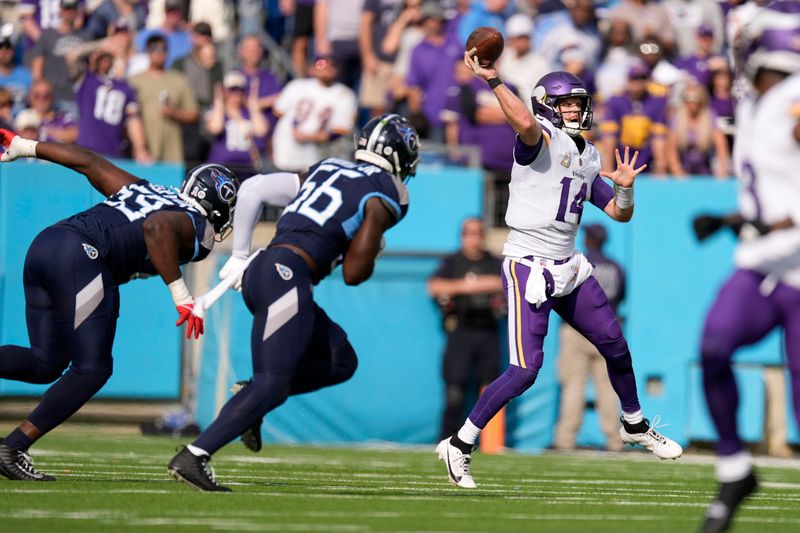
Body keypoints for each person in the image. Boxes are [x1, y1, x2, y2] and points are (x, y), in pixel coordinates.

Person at [436, 55, 683, 490]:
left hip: (568, 265)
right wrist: (494, 80)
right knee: (524, 371)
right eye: (565, 103)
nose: (574, 110)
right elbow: (525, 124)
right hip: (528, 265)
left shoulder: (589, 154)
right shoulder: (540, 138)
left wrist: (624, 189)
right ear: (545, 106)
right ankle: (459, 442)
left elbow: (617, 214)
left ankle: (634, 423)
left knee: (615, 344)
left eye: (577, 103)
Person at [167, 113, 420, 492]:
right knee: (274, 384)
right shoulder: (385, 193)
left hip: (264, 270)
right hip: (288, 275)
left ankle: (249, 394)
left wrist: (238, 256)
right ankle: (196, 454)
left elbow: (252, 189)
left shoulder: (328, 167)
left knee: (340, 359)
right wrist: (371, 246)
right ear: (400, 155)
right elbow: (353, 274)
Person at [0, 129, 238, 481]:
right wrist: (182, 297)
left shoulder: (147, 188)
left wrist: (25, 146)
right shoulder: (196, 224)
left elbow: (88, 162)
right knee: (92, 369)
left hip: (47, 243)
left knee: (45, 362)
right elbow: (157, 228)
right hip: (81, 256)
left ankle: (14, 446)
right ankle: (13, 447)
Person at [692, 4, 800, 532]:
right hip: (762, 264)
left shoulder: (790, 100)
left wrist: (783, 221)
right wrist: (732, 218)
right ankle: (735, 469)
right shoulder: (755, 102)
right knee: (713, 346)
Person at [428, 217, 503, 441]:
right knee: (455, 389)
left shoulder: (494, 262)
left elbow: (505, 282)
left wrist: (472, 286)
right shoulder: (452, 262)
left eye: (478, 233)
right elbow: (434, 287)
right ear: (462, 236)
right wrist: (471, 286)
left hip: (488, 330)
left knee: (491, 389)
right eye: (469, 233)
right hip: (460, 331)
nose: (474, 238)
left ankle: (492, 444)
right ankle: (448, 440)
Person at [553, 223, 626, 452]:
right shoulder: (615, 267)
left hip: (577, 329)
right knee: (608, 387)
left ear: (590, 240)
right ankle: (615, 440)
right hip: (607, 328)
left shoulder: (578, 262)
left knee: (574, 385)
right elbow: (621, 296)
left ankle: (565, 440)